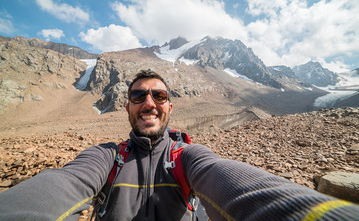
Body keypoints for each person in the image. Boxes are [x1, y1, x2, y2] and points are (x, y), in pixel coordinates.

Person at [0, 69, 359, 221]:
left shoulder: (186, 154)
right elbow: (66, 182)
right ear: (126, 106)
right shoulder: (106, 156)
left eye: (159, 95)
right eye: (138, 96)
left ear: (170, 106)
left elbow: (223, 175)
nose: (149, 103)